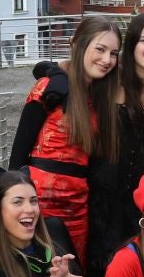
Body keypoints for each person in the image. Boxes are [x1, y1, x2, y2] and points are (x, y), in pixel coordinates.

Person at [11, 15, 121, 262]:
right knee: (37, 274)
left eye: (114, 53)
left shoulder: (103, 96)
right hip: (39, 202)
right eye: (100, 49)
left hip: (78, 204)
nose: (107, 60)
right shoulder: (50, 88)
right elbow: (18, 154)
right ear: (79, 44)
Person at [83, 11, 144, 277]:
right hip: (98, 188)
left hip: (136, 191)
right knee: (102, 271)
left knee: (136, 270)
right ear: (132, 45)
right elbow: (73, 71)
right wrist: (49, 71)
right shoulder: (110, 77)